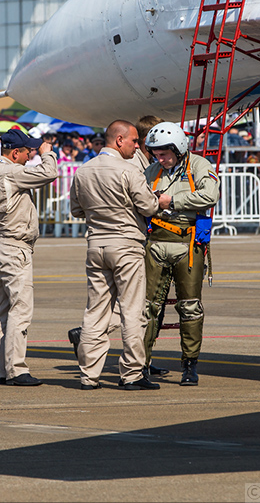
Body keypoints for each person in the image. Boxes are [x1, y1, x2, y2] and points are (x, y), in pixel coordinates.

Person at [69, 120, 171, 390]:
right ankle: (132, 374)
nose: (138, 146)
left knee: (96, 312)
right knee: (132, 312)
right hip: (126, 244)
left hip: (96, 244)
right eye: (135, 141)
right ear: (119, 140)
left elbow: (77, 210)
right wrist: (159, 201)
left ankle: (89, 375)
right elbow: (148, 207)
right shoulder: (128, 170)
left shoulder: (84, 170)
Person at [142, 122, 220, 386]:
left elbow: (210, 195)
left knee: (190, 306)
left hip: (187, 245)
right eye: (156, 154)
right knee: (148, 307)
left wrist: (171, 202)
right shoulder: (151, 170)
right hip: (155, 243)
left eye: (164, 154)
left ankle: (190, 364)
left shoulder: (198, 166)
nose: (159, 159)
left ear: (179, 149)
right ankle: (142, 363)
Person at [0, 128, 58, 386]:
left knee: (3, 310)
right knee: (20, 309)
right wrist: (48, 155)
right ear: (15, 153)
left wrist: (3, 224)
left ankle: (1, 369)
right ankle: (17, 370)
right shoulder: (12, 171)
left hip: (2, 242)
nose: (30, 156)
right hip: (16, 247)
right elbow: (50, 173)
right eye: (28, 152)